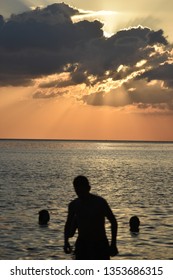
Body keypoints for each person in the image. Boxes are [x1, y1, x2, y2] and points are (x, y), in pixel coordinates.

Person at [64, 175, 118, 260]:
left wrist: (113, 244)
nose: (79, 192)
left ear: (88, 188)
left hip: (100, 244)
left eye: (82, 189)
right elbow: (68, 224)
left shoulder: (100, 203)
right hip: (82, 244)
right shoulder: (73, 205)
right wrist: (66, 241)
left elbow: (113, 221)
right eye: (77, 189)